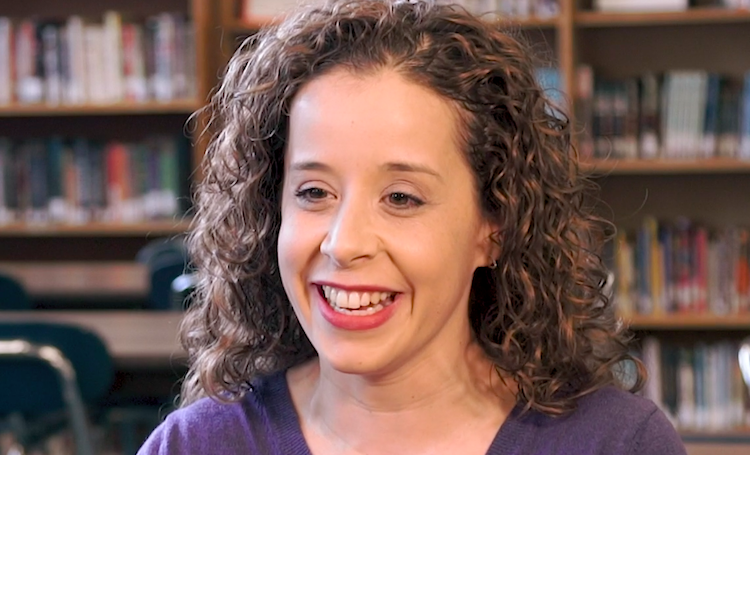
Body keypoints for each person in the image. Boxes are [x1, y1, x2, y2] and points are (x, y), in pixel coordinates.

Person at [139, 0, 686, 455]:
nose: (344, 242)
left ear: (493, 225)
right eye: (314, 193)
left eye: (401, 197)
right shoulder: (197, 446)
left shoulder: (616, 444)